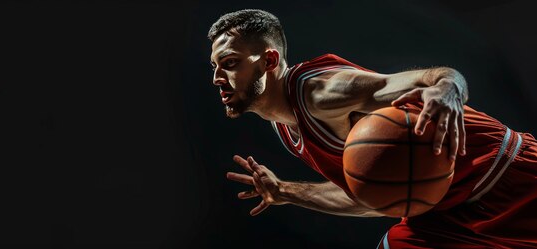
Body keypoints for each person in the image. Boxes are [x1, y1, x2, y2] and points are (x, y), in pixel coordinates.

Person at [208, 9, 537, 248]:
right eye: (215, 66)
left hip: (508, 175)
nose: (217, 78)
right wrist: (284, 192)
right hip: (452, 216)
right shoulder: (284, 125)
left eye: (231, 63)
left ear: (269, 61)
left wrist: (447, 90)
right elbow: (372, 198)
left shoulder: (322, 92)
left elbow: (440, 77)